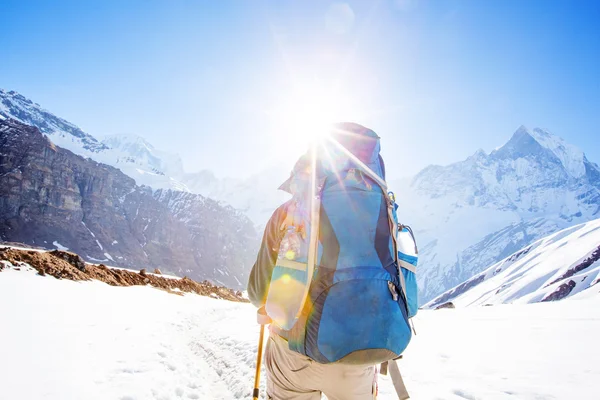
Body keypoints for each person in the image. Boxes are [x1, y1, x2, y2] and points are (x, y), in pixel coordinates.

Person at [248, 122, 408, 400]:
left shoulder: (288, 214)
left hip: (293, 353)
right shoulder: (383, 212)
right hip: (358, 355)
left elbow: (258, 291)